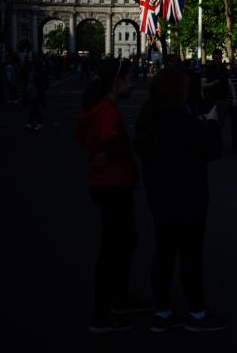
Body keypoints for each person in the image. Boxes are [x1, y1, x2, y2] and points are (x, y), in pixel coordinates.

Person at [133, 68, 227, 333]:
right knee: (190, 256)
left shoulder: (149, 117)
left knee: (163, 254)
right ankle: (197, 312)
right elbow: (211, 150)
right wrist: (209, 123)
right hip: (188, 198)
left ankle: (162, 311)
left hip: (159, 197)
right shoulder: (183, 121)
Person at [75, 58, 149, 334]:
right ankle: (102, 312)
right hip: (112, 184)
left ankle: (118, 296)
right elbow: (107, 137)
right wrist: (113, 157)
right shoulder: (108, 111)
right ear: (117, 82)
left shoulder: (101, 107)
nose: (134, 81)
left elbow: (82, 133)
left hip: (109, 182)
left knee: (124, 241)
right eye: (130, 78)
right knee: (114, 248)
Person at [201, 48, 236, 131]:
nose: (218, 60)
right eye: (216, 58)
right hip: (211, 100)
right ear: (213, 57)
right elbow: (202, 85)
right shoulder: (207, 68)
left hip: (222, 99)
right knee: (212, 122)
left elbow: (229, 83)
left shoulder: (223, 68)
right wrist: (214, 83)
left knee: (222, 121)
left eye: (220, 58)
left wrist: (234, 97)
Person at [22, 57, 47, 130]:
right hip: (30, 90)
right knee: (33, 107)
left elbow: (42, 80)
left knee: (34, 106)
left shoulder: (37, 71)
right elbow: (23, 77)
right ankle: (32, 123)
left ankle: (36, 123)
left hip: (35, 91)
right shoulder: (29, 71)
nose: (30, 65)